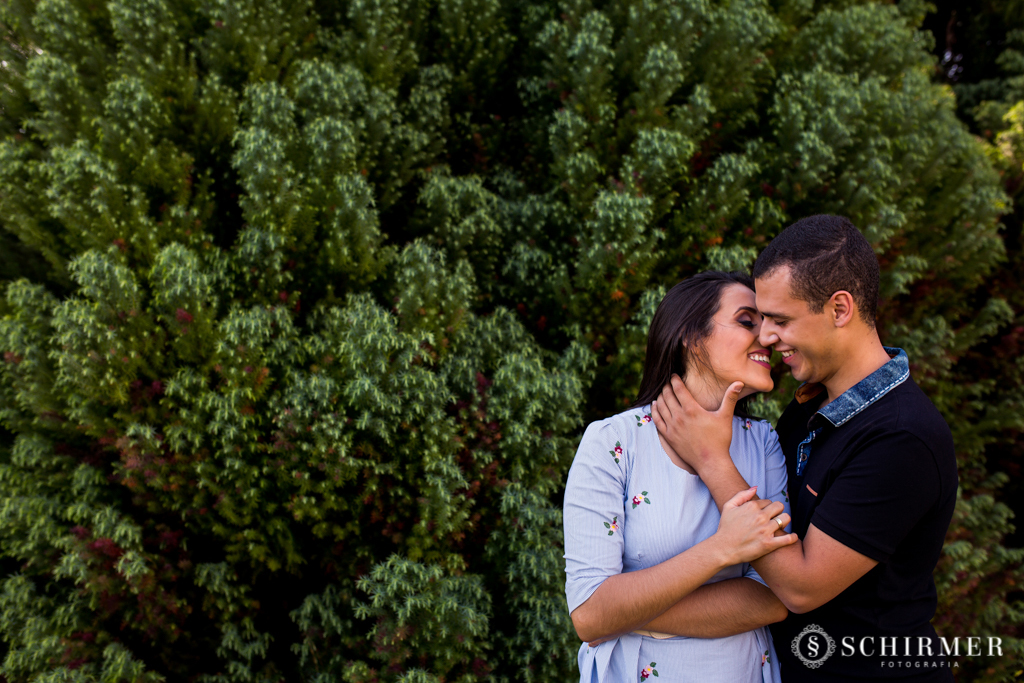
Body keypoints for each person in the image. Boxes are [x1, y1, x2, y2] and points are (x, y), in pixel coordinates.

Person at [652, 215, 958, 681]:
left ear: (839, 309)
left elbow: (800, 587)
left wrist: (711, 458)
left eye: (780, 319)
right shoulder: (809, 407)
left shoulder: (901, 437)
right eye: (760, 318)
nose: (767, 337)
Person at [563, 271, 799, 683]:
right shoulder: (613, 444)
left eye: (768, 323)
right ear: (691, 335)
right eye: (748, 320)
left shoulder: (764, 445)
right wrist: (722, 549)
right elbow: (589, 614)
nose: (768, 337)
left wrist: (626, 613)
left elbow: (775, 596)